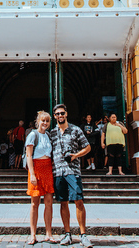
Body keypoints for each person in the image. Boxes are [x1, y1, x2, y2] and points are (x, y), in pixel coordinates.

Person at [50, 103, 93, 248]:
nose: (60, 116)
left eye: (62, 113)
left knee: (78, 200)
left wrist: (75, 156)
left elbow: (87, 147)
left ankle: (83, 235)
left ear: (66, 114)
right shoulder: (52, 133)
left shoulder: (75, 130)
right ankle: (67, 234)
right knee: (63, 202)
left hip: (73, 172)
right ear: (54, 116)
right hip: (57, 172)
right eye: (57, 114)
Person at [25, 111, 57, 245]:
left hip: (48, 168)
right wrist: (32, 174)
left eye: (47, 121)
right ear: (38, 121)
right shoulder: (33, 135)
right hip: (36, 169)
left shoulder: (49, 135)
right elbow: (28, 156)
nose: (45, 123)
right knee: (35, 203)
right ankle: (33, 234)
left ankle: (48, 233)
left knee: (49, 203)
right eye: (43, 120)